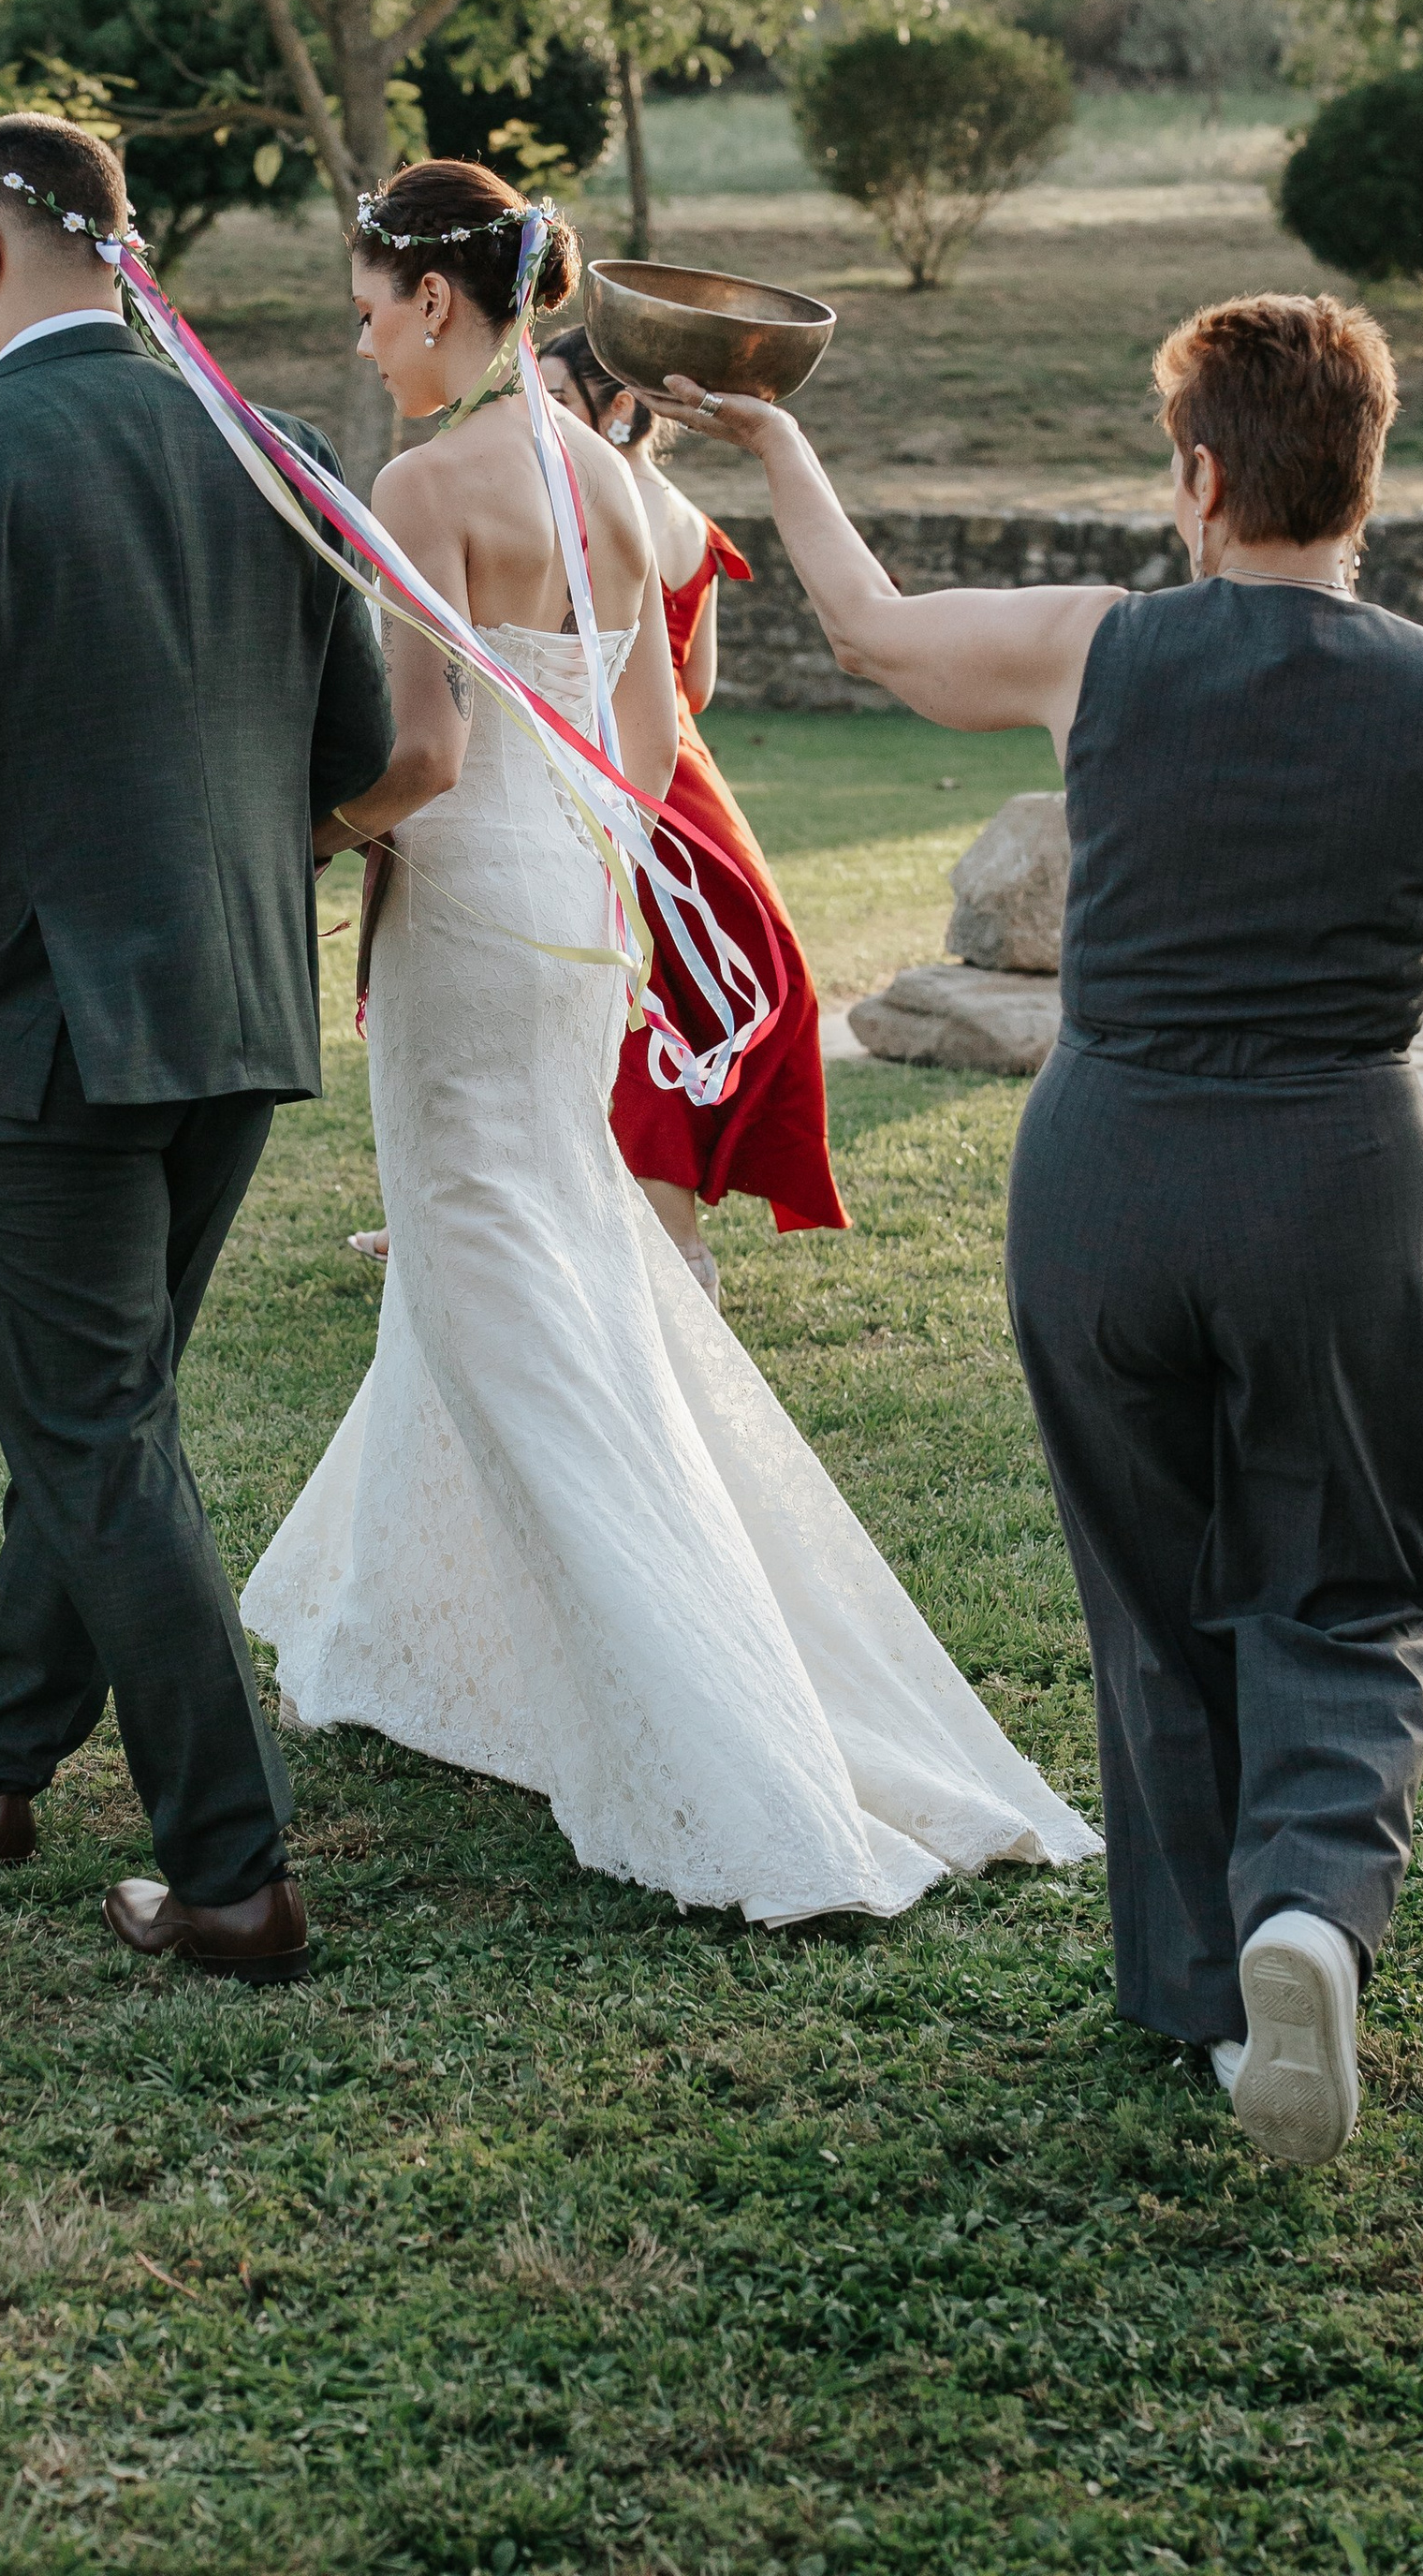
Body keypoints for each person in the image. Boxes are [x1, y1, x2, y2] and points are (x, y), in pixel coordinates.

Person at [658, 292, 1423, 2163]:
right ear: (1367, 474)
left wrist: (774, 445)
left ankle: (1205, 1997)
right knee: (1341, 1580)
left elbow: (863, 630)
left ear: (1195, 475)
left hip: (1099, 1168)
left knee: (1154, 1588)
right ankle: (1302, 1917)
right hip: (1332, 1174)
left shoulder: (1097, 653)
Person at [241, 161, 1096, 1926]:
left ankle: (717, 1735)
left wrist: (296, 839)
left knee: (490, 1265)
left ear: (433, 300)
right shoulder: (620, 486)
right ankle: (396, 1632)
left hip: (474, 897)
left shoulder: (423, 478)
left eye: (368, 300)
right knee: (527, 1239)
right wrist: (594, 892)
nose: (360, 332)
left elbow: (423, 754)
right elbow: (649, 741)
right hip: (583, 903)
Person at [0, 114, 393, 1984]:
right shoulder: (278, 450)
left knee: (94, 1430)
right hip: (236, 1016)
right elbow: (348, 755)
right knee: (91, 1413)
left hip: (22, 1038)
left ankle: (232, 1879)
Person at [537, 323, 847, 1298]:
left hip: (614, 770)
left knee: (630, 998)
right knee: (662, 992)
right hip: (693, 781)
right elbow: (696, 683)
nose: (537, 414)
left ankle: (672, 1249)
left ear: (618, 407)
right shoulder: (686, 517)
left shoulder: (592, 505)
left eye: (554, 394)